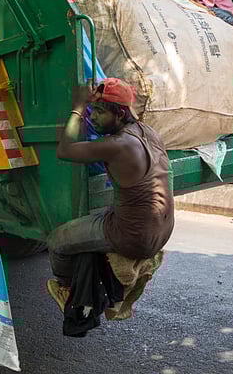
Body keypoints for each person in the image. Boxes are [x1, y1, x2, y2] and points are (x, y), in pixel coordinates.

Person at [47, 78, 174, 309]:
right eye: (92, 110)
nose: (92, 116)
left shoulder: (118, 144)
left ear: (120, 114)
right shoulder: (149, 132)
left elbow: (64, 151)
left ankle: (68, 292)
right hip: (163, 231)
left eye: (99, 111)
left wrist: (78, 107)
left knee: (56, 240)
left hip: (133, 236)